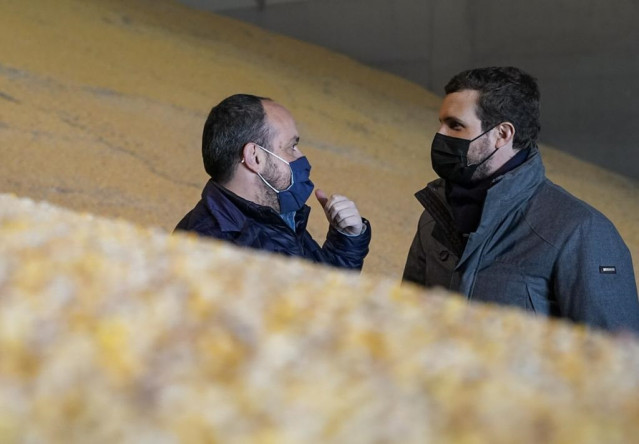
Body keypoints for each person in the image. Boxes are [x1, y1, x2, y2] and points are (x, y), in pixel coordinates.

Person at [403, 66, 639, 333]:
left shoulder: (580, 231)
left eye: (455, 125)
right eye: (441, 123)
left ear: (502, 134)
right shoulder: (436, 215)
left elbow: (618, 361)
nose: (441, 135)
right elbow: (409, 327)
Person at [175, 94, 371, 270]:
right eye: (291, 147)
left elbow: (321, 290)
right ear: (255, 157)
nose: (301, 157)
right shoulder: (223, 257)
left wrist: (346, 239)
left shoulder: (269, 218)